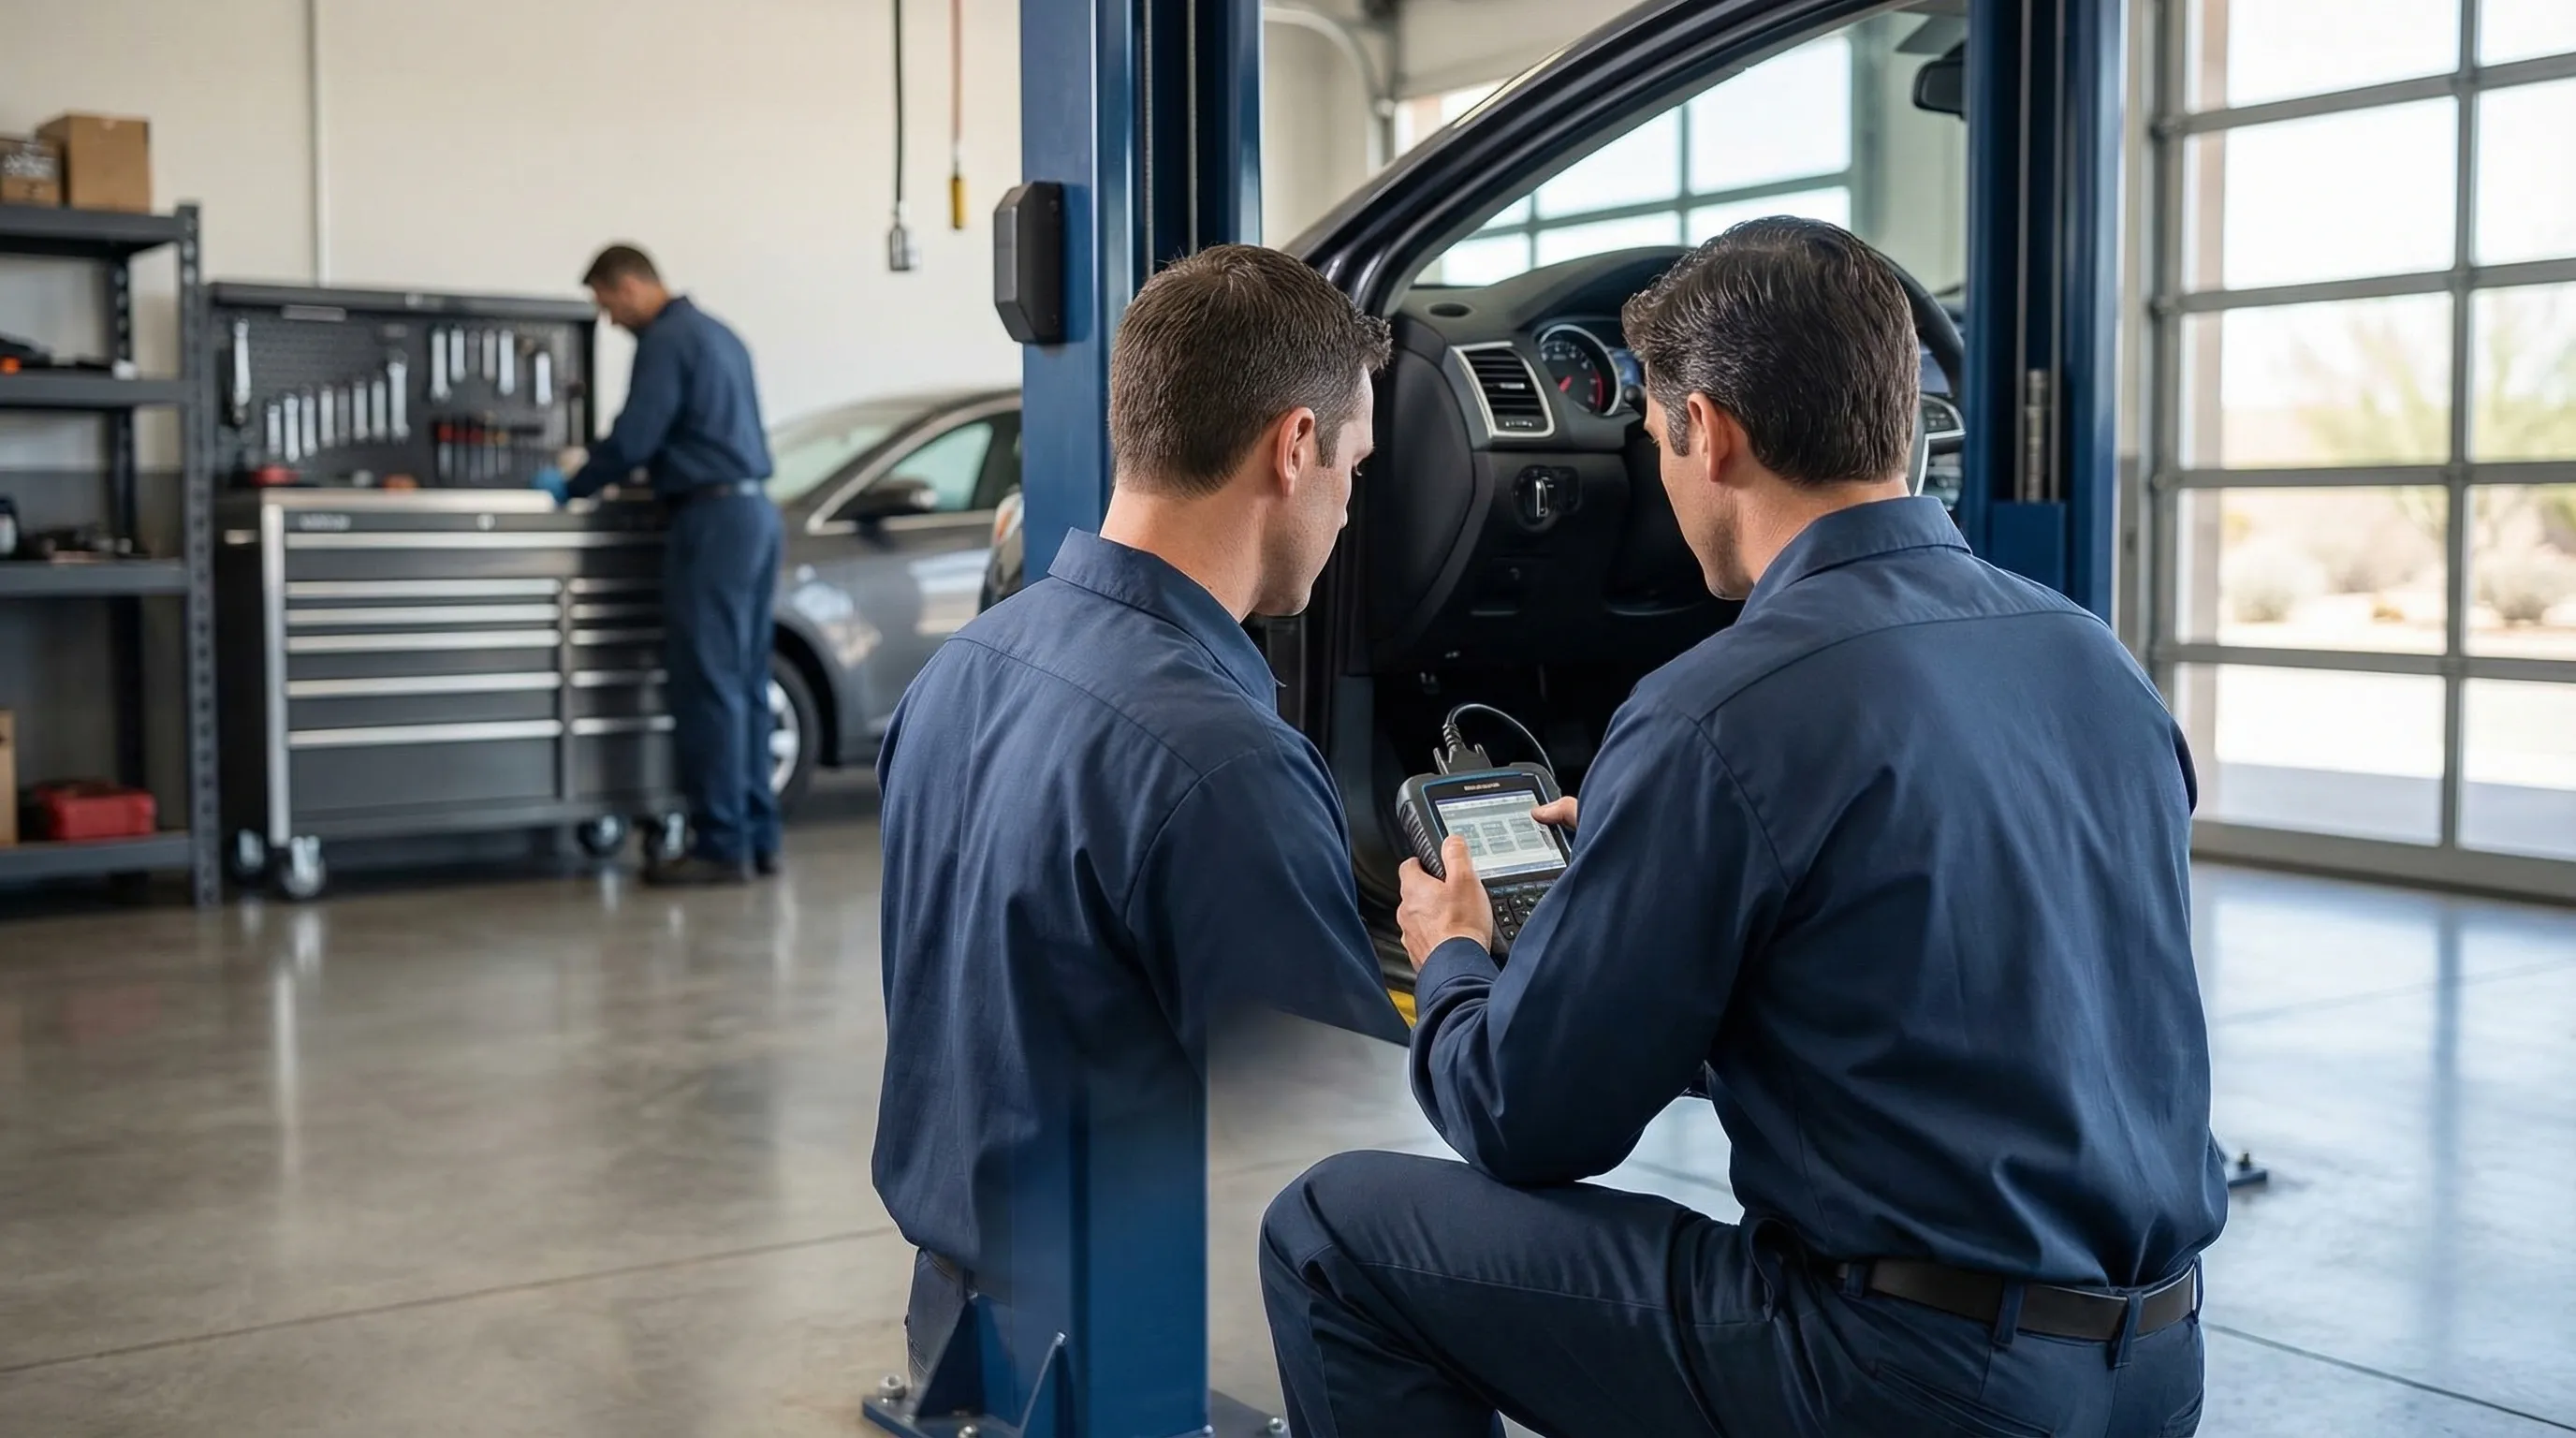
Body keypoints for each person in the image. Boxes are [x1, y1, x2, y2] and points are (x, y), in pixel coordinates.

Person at [1260, 218, 2228, 1438]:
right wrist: (1649, 881)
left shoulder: (1717, 712)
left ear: (1707, 432)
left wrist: (1455, 953)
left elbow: (1527, 1121)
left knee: (1332, 1231)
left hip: (1898, 1379)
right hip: (2155, 1366)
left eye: (1654, 435)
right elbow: (1937, 1004)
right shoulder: (2091, 657)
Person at [872, 244, 1409, 1381]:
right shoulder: (1224, 766)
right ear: (1294, 446)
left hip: (956, 1320)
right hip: (1151, 1350)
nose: (1351, 506)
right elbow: (1334, 1173)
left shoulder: (960, 671)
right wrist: (1461, 971)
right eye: (1354, 466)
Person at [563, 244, 781, 886]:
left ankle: (719, 846)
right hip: (754, 517)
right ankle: (756, 836)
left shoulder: (664, 340)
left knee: (708, 684)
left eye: (608, 304)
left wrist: (573, 485)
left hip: (710, 523)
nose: (610, 320)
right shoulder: (720, 334)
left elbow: (636, 437)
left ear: (631, 286)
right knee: (743, 684)